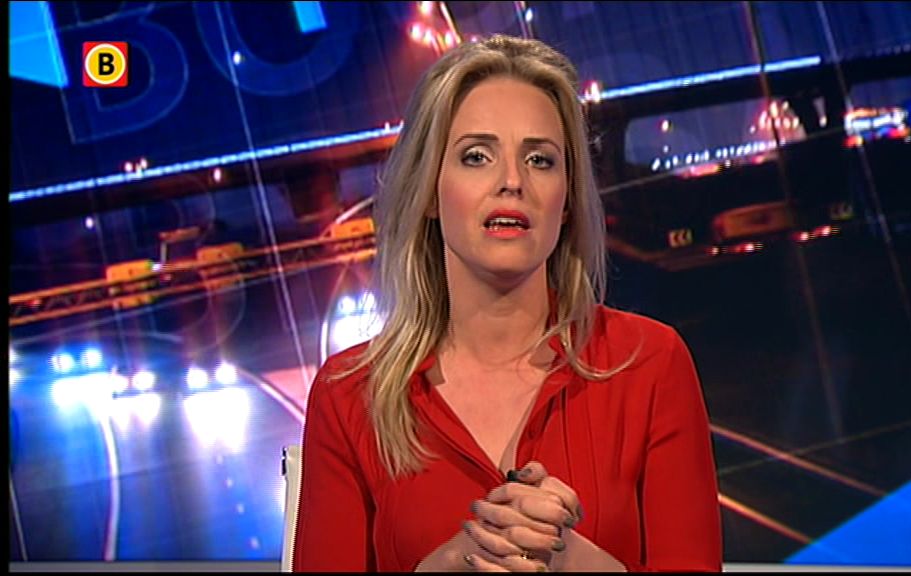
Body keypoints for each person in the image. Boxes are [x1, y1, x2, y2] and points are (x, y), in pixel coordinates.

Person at [294, 34, 721, 572]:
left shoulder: (650, 363)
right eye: (477, 156)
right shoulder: (350, 395)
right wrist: (446, 567)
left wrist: (567, 558)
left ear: (567, 200)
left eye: (540, 160)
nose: (513, 181)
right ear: (429, 192)